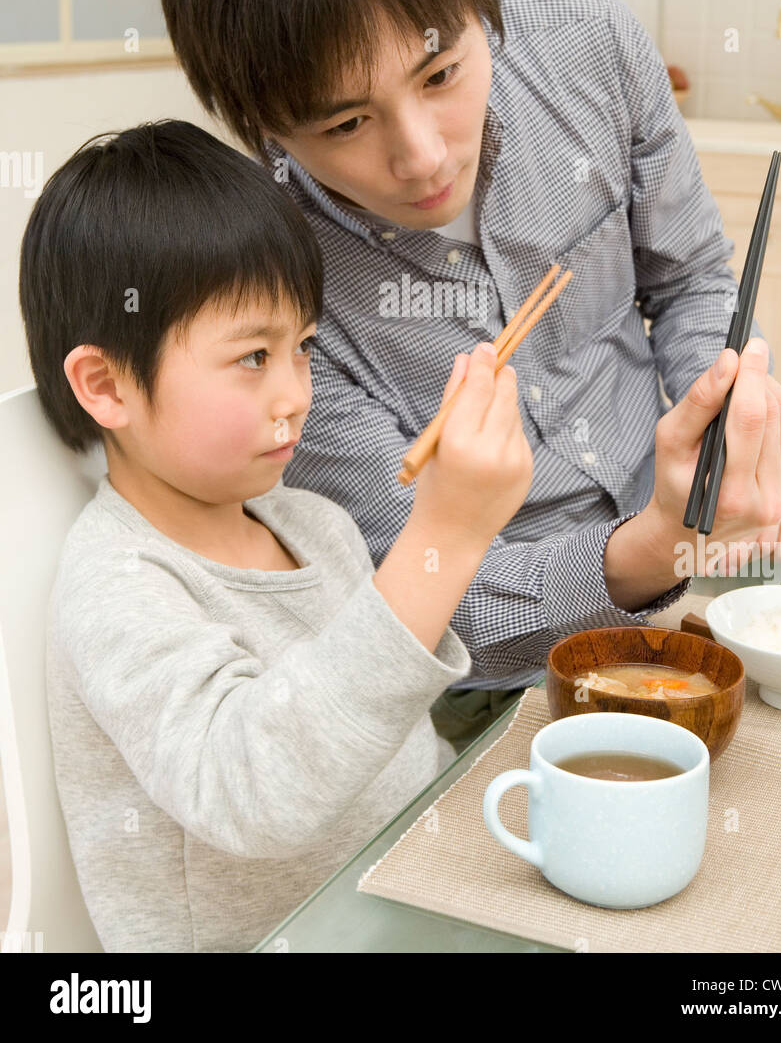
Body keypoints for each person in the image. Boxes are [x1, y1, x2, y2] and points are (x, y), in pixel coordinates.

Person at [158, 0, 781, 749]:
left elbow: (692, 277)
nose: (421, 156)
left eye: (441, 73)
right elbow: (418, 588)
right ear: (266, 129)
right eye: (346, 125)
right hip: (484, 678)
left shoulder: (588, 46)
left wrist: (725, 422)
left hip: (701, 557)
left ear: (481, 3)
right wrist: (652, 546)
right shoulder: (268, 284)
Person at [22, 120, 533, 951]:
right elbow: (254, 791)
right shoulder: (118, 581)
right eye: (252, 357)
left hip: (406, 906)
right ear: (106, 384)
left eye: (301, 346)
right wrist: (445, 535)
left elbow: (401, 744)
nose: (295, 392)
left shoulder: (313, 522)